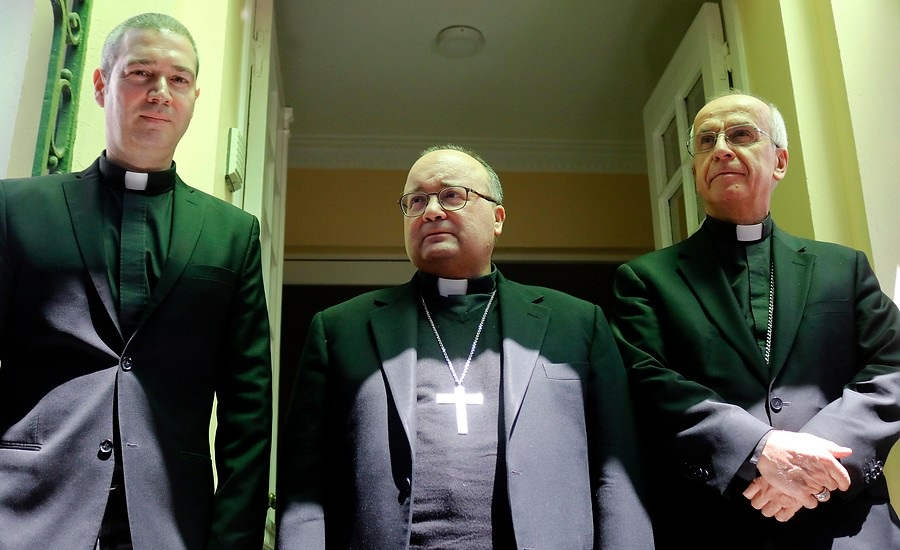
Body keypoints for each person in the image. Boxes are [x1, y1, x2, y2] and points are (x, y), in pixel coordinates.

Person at [277, 145, 653, 549]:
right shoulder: (340, 329)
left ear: (498, 218)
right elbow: (304, 490)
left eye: (452, 195)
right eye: (416, 201)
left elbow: (618, 474)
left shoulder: (576, 323)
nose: (431, 211)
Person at [0, 13, 271, 550]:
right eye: (141, 73)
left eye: (179, 79)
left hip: (169, 524)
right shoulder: (16, 209)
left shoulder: (233, 234)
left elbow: (249, 408)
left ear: (194, 97)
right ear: (102, 85)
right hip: (26, 515)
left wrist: (233, 539)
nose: (160, 92)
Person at [611, 92, 900, 548]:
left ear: (779, 162)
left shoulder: (842, 268)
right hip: (718, 523)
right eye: (706, 141)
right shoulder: (645, 280)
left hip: (847, 525)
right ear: (696, 170)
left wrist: (818, 456)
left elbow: (892, 367)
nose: (721, 149)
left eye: (741, 134)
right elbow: (647, 382)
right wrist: (759, 448)